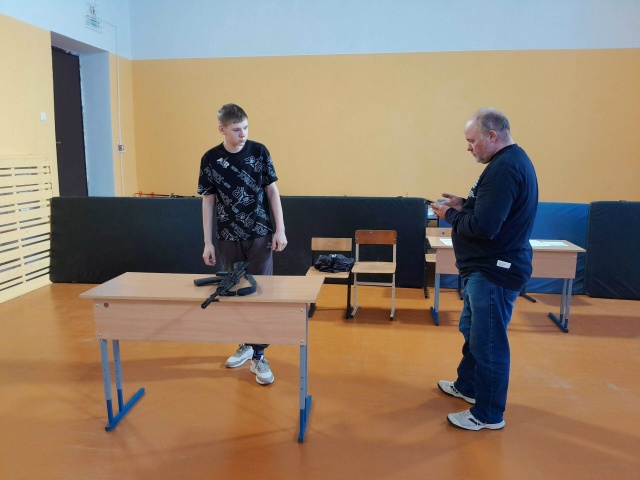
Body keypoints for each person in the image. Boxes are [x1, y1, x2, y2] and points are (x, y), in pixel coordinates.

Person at [430, 108, 538, 431]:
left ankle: (489, 414)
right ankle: (469, 385)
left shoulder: (505, 168)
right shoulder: (505, 163)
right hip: (485, 269)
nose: (469, 147)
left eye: (472, 140)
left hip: (494, 272)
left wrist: (449, 216)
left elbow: (486, 227)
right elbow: (490, 212)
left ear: (492, 136)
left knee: (489, 343)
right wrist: (464, 204)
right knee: (472, 331)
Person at [197, 103, 287, 385]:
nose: (243, 133)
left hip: (259, 234)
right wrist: (207, 242)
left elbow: (272, 192)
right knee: (236, 293)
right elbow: (208, 200)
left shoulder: (259, 152)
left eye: (246, 127)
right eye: (237, 129)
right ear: (222, 129)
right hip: (227, 237)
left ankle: (259, 355)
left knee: (260, 293)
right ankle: (246, 344)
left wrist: (280, 230)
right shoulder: (210, 159)